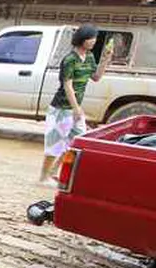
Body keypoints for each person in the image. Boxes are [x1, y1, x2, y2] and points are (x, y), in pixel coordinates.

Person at [39, 23, 112, 186]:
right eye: (90, 38)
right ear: (82, 39)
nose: (93, 41)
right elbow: (67, 85)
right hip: (61, 108)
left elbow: (96, 77)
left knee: (76, 142)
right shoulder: (70, 59)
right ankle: (43, 178)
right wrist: (76, 108)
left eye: (94, 38)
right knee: (55, 143)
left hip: (75, 109)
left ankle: (54, 173)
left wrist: (105, 60)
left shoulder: (90, 57)